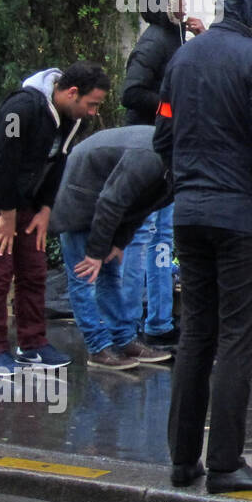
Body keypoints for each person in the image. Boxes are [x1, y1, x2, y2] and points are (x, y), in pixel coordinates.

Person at [155, 0, 252, 494]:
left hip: (190, 214)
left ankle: (183, 460)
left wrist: (182, 187)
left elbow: (161, 134)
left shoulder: (183, 58)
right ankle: (227, 465)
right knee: (237, 338)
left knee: (195, 335)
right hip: (242, 219)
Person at [0, 62, 109, 376]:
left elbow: (58, 163)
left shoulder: (72, 119)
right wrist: (6, 215)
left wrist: (45, 210)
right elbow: (4, 161)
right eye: (92, 104)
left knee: (34, 267)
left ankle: (31, 345)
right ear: (72, 93)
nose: (94, 112)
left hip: (26, 197)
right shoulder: (20, 109)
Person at [119, 0, 204, 349]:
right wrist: (173, 108)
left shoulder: (175, 37)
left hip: (165, 149)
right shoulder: (154, 41)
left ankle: (157, 323)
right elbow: (131, 93)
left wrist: (201, 38)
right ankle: (128, 327)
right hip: (146, 149)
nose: (183, 5)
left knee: (161, 238)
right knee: (142, 236)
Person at [48, 125, 174, 370]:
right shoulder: (149, 159)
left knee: (110, 272)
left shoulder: (174, 172)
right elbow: (111, 202)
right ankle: (98, 349)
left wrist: (117, 243)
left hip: (106, 196)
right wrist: (95, 253)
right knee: (84, 274)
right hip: (79, 191)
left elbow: (144, 206)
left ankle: (124, 340)